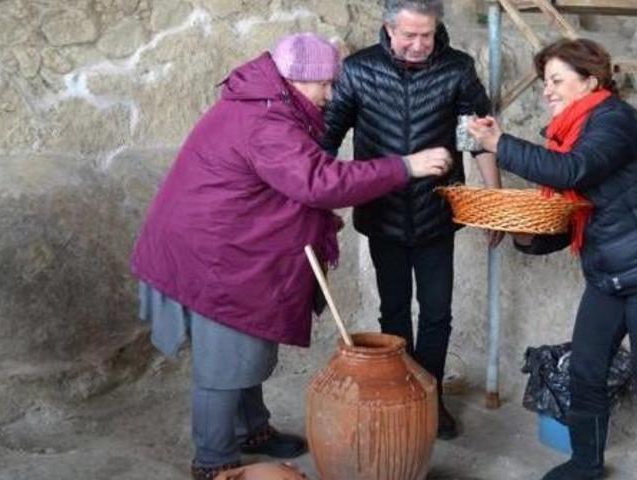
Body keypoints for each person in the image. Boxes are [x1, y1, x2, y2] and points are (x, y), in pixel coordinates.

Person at [130, 32, 452, 480]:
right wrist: (405, 166)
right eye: (325, 83)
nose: (329, 94)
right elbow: (318, 182)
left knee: (246, 342)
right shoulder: (267, 121)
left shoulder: (267, 103)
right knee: (223, 363)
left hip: (227, 246)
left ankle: (253, 432)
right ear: (298, 79)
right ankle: (213, 461)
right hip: (212, 257)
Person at [468, 39, 637, 480]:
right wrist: (527, 237)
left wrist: (498, 142)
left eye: (556, 80)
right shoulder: (571, 133)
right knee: (586, 372)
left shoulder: (615, 121)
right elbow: (574, 216)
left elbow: (572, 172)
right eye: (544, 82)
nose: (547, 91)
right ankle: (585, 463)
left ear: (590, 81)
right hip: (608, 275)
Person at [321, 0, 502, 440]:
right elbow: (325, 139)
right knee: (395, 310)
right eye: (409, 36)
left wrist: (494, 201)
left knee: (437, 312)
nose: (420, 44)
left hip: (437, 211)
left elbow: (476, 140)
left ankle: (431, 396)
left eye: (427, 34)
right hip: (381, 212)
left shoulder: (457, 69)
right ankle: (402, 391)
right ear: (388, 27)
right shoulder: (359, 70)